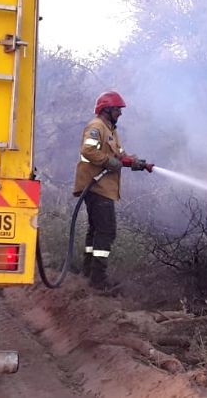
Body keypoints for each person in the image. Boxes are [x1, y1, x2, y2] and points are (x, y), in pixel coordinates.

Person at [73, 91, 154, 290]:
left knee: (96, 230)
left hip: (103, 187)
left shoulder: (110, 131)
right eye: (117, 109)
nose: (120, 113)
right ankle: (98, 280)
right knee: (107, 231)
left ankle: (88, 274)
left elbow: (120, 155)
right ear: (106, 109)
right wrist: (111, 162)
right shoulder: (96, 127)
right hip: (96, 186)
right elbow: (88, 151)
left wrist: (137, 163)